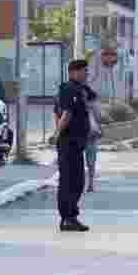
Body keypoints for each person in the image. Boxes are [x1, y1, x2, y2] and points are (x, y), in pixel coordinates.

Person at [53, 59, 91, 231]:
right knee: (69, 181)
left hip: (77, 143)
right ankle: (67, 218)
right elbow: (64, 114)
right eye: (84, 71)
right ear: (74, 72)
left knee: (78, 181)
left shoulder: (80, 89)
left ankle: (71, 217)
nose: (86, 74)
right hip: (68, 142)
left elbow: (93, 100)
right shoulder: (68, 89)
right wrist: (57, 134)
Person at [84, 85, 102, 193]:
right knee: (91, 161)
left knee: (78, 160)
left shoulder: (75, 102)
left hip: (79, 134)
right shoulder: (94, 104)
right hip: (92, 134)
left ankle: (84, 183)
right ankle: (90, 184)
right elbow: (99, 117)